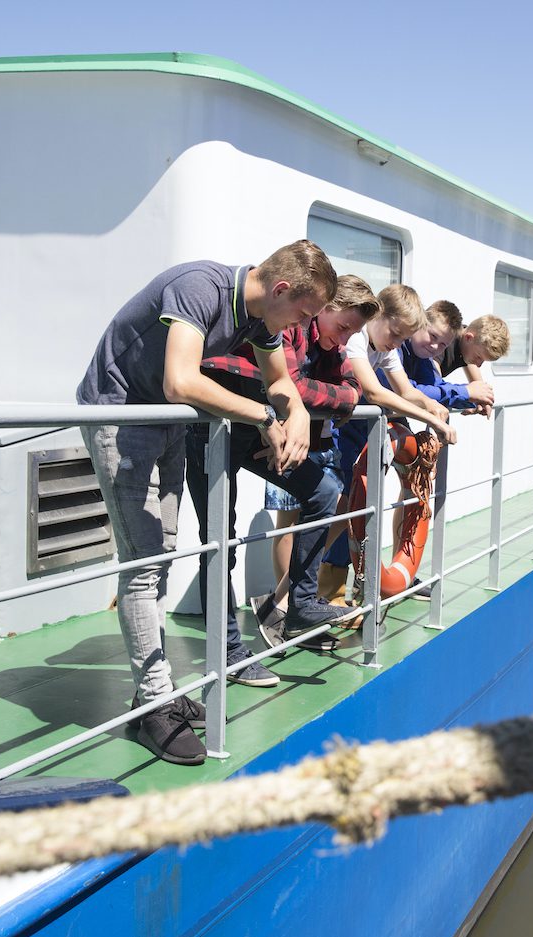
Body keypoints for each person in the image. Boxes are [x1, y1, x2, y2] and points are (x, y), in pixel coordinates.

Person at [76, 239, 337, 765]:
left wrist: (299, 414)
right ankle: (152, 706)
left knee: (163, 556)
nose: (294, 330)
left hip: (167, 424)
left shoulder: (261, 316)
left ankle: (154, 690)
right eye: (301, 316)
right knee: (144, 563)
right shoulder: (201, 287)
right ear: (281, 289)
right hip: (121, 416)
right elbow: (181, 380)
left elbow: (280, 378)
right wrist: (266, 417)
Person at [196, 275, 379, 655]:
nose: (344, 340)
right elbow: (292, 385)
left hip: (260, 430)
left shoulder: (327, 345)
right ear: (324, 307)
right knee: (219, 541)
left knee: (324, 491)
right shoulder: (291, 329)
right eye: (343, 326)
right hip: (219, 427)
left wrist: (324, 400)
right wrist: (317, 402)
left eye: (352, 334)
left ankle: (300, 604)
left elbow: (350, 389)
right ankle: (228, 652)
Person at [318, 308, 510, 603]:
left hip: (378, 421)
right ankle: (324, 590)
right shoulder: (392, 346)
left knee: (380, 497)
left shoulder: (425, 349)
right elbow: (402, 389)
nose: (435, 347)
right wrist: (464, 393)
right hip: (352, 427)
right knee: (348, 501)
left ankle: (386, 574)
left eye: (442, 343)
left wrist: (471, 393)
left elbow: (420, 389)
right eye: (431, 338)